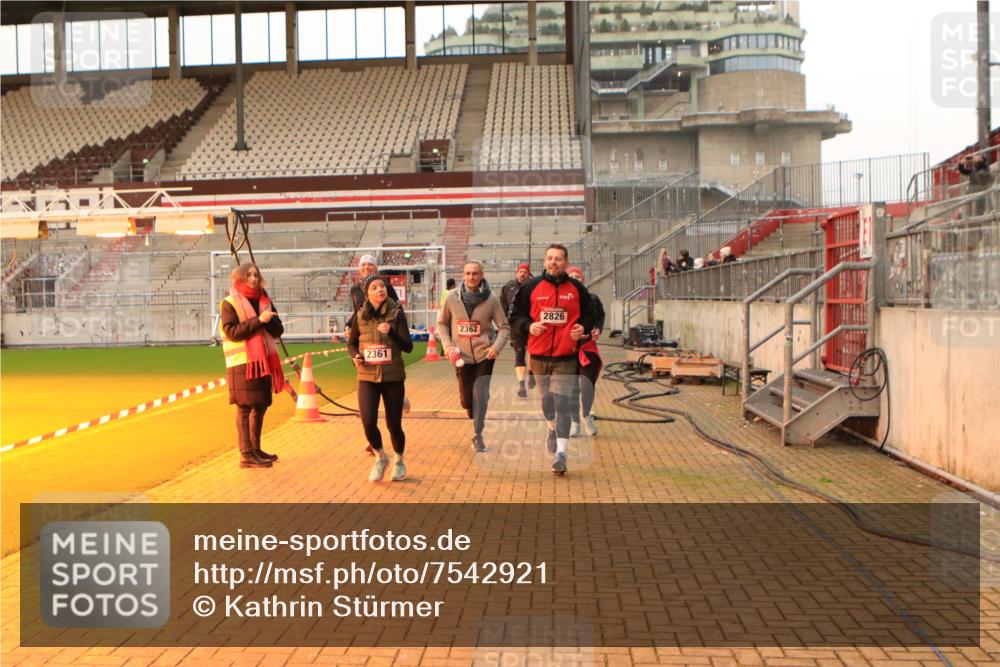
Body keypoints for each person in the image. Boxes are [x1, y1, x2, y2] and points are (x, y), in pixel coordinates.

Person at [509, 244, 596, 475]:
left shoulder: (577, 288)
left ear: (565, 262)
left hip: (566, 356)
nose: (553, 262)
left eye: (558, 259)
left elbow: (591, 313)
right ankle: (550, 428)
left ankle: (561, 453)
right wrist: (529, 326)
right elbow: (514, 315)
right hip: (538, 356)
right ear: (544, 261)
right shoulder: (531, 287)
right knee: (547, 401)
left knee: (563, 404)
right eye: (549, 258)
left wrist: (582, 327)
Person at [348, 274, 414, 482]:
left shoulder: (396, 313)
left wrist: (392, 332)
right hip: (367, 376)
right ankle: (380, 456)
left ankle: (399, 461)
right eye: (374, 287)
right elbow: (351, 344)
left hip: (393, 377)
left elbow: (408, 346)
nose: (380, 290)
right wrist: (355, 357)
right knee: (368, 422)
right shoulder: (360, 315)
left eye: (382, 286)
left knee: (394, 425)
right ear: (367, 294)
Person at [438, 261, 510, 452]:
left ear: (481, 275)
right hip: (460, 356)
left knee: (481, 395)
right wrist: (447, 346)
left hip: (484, 355)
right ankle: (472, 408)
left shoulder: (492, 300)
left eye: (475, 274)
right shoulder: (452, 298)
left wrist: (496, 347)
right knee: (467, 400)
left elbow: (504, 328)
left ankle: (478, 435)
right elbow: (442, 323)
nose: (471, 277)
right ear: (463, 275)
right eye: (468, 273)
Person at [219, 263, 285, 469]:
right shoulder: (230, 303)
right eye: (248, 275)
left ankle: (256, 449)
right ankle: (246, 453)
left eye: (256, 275)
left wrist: (268, 320)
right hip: (242, 363)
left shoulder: (265, 300)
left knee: (261, 404)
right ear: (239, 278)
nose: (253, 279)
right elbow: (232, 332)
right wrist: (259, 320)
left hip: (262, 361)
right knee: (245, 408)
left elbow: (278, 330)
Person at [346, 254, 403, 454]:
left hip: (389, 354)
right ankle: (376, 447)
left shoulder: (386, 290)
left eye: (370, 264)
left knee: (393, 421)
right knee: (368, 419)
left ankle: (399, 398)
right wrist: (350, 326)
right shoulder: (354, 290)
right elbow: (357, 313)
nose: (367, 267)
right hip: (368, 357)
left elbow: (396, 310)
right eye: (363, 265)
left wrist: (392, 328)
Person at [566, 266, 604, 438]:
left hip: (587, 347)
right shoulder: (563, 299)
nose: (575, 278)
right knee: (572, 387)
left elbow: (600, 316)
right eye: (571, 276)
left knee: (587, 384)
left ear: (583, 279)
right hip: (568, 348)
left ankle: (587, 415)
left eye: (578, 276)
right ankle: (574, 421)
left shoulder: (592, 299)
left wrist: (597, 329)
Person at [500, 262, 535, 397]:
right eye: (520, 271)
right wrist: (507, 321)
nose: (522, 274)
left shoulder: (534, 286)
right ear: (516, 273)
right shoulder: (508, 287)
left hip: (531, 326)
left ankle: (531, 373)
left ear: (528, 274)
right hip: (515, 327)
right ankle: (521, 386)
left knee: (532, 352)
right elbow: (503, 304)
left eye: (525, 272)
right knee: (519, 355)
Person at [958, 153, 993, 218]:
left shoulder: (986, 169)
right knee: (973, 213)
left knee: (982, 212)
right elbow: (963, 171)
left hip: (983, 194)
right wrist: (961, 163)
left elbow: (985, 167)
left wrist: (979, 159)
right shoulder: (973, 171)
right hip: (973, 195)